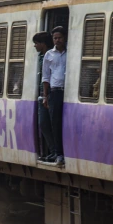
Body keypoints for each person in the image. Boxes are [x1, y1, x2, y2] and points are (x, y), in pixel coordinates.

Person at [42, 27, 67, 165]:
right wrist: (45, 96)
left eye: (60, 38)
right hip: (55, 92)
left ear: (64, 38)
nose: (57, 40)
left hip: (69, 92)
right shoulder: (49, 55)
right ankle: (59, 154)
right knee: (55, 123)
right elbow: (45, 77)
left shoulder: (70, 53)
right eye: (55, 38)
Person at [33, 32, 55, 162]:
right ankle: (50, 151)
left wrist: (46, 94)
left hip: (48, 93)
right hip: (43, 94)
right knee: (44, 124)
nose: (35, 46)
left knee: (48, 124)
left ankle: (53, 151)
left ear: (43, 44)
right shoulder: (41, 57)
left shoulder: (50, 56)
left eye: (36, 43)